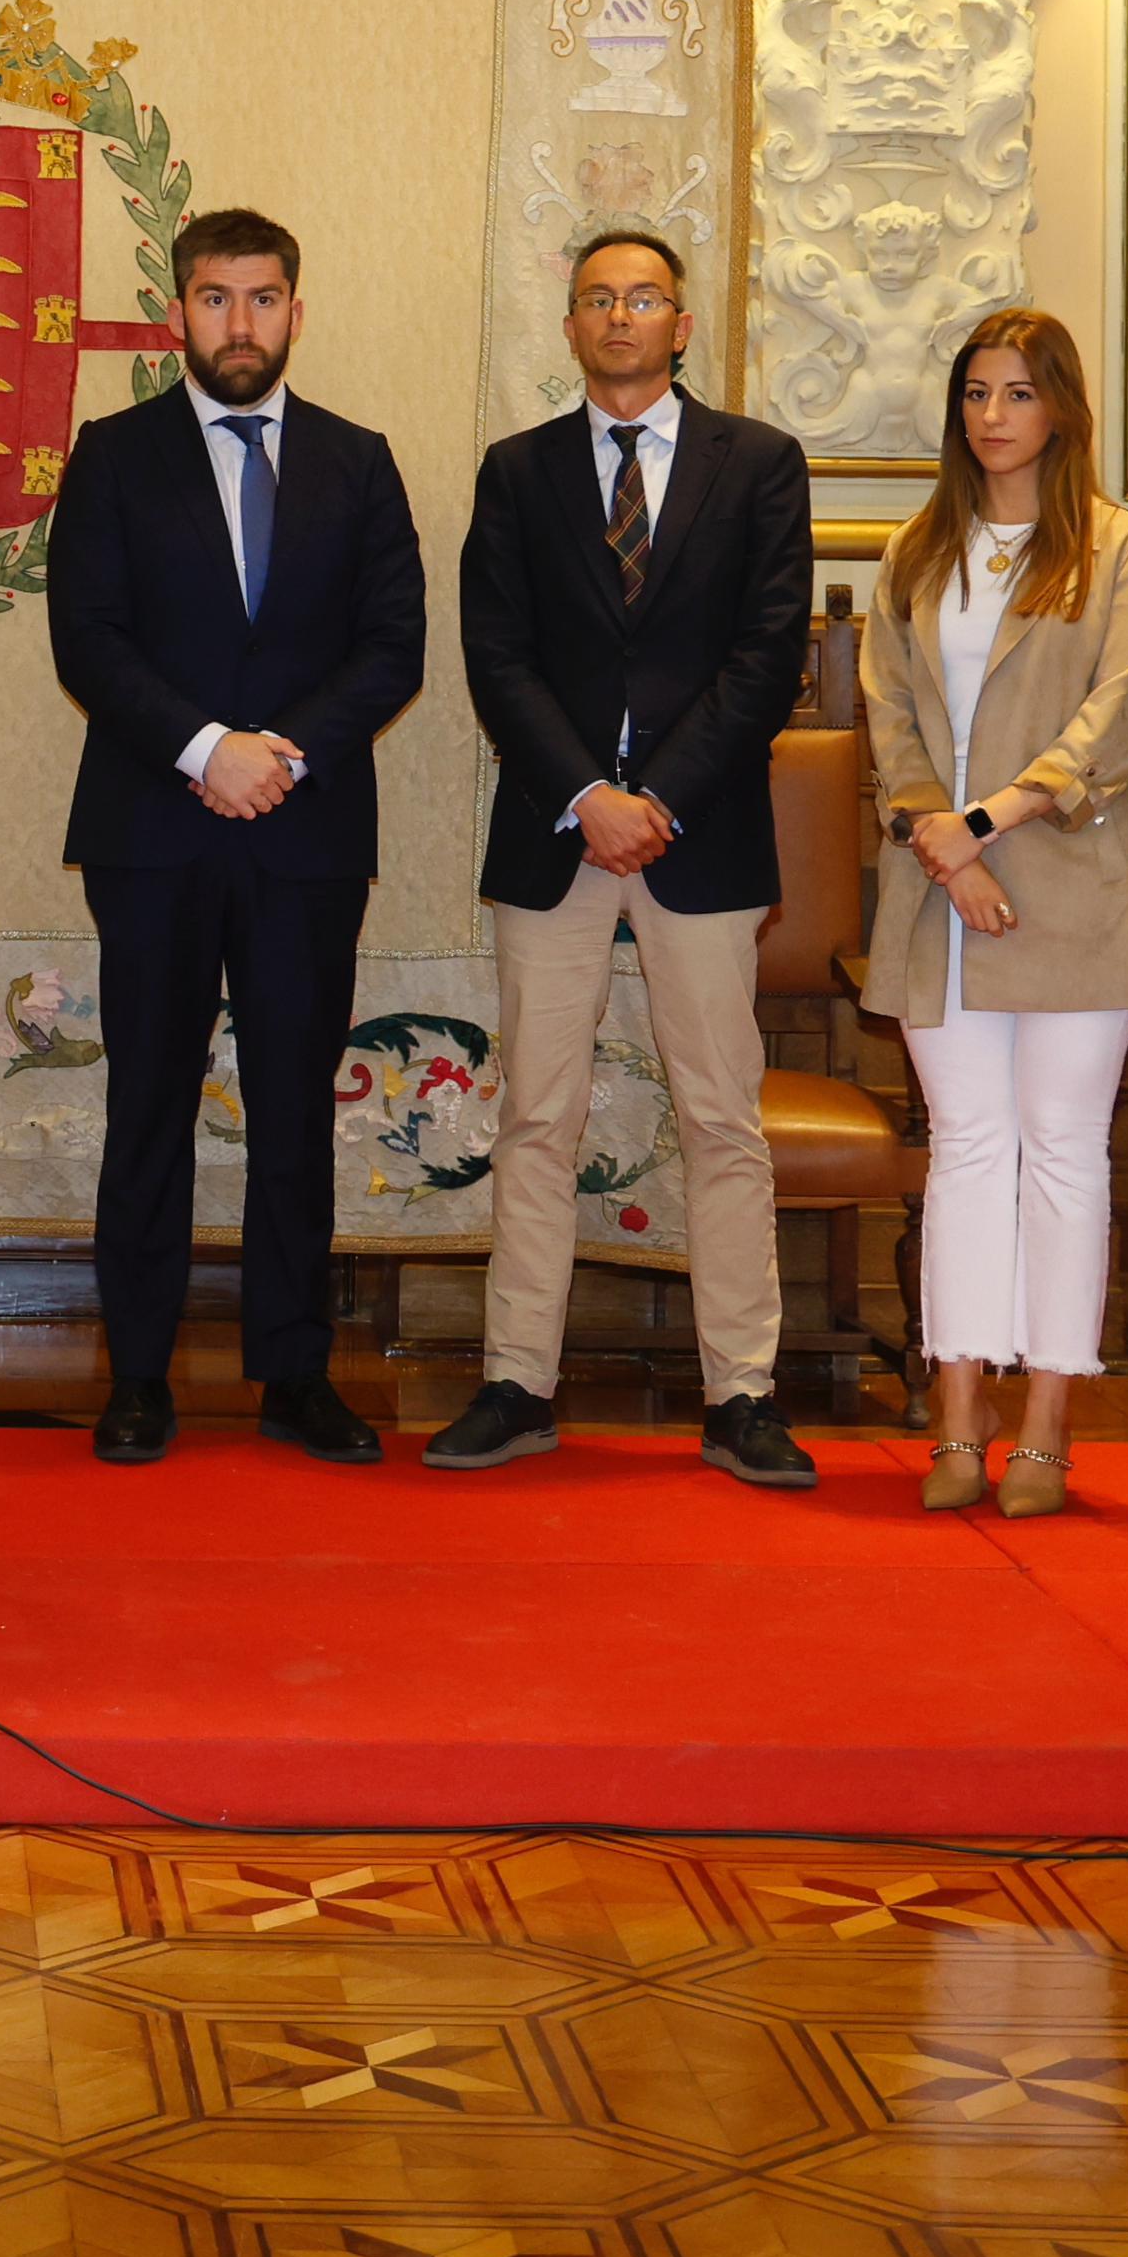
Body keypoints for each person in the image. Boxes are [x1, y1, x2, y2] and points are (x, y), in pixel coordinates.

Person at [42, 205, 426, 1468]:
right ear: (177, 314)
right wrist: (208, 749)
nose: (239, 324)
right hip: (153, 831)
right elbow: (88, 638)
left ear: (294, 313)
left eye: (262, 299)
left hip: (305, 835)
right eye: (215, 298)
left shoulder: (357, 461)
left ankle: (294, 1374)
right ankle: (136, 1375)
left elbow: (392, 646)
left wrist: (281, 755)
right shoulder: (112, 455)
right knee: (147, 1103)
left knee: (293, 1111)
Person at [436, 226, 814, 1484]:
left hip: (698, 835)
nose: (618, 316)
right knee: (535, 1116)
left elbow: (766, 655)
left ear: (679, 324)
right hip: (555, 833)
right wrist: (588, 795)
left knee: (719, 1117)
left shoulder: (757, 463)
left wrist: (655, 798)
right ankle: (516, 1383)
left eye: (641, 297)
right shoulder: (516, 470)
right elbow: (496, 654)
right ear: (569, 326)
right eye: (596, 298)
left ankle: (741, 1393)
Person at [855, 309, 1128, 1520]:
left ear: (1062, 410)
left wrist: (984, 824)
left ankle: (1045, 1420)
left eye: (1018, 394)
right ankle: (956, 1414)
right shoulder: (916, 549)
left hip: (1072, 884)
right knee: (966, 1151)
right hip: (936, 891)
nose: (992, 416)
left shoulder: (1117, 548)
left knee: (1062, 1150)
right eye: (975, 393)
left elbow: (1115, 720)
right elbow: (888, 720)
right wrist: (943, 845)